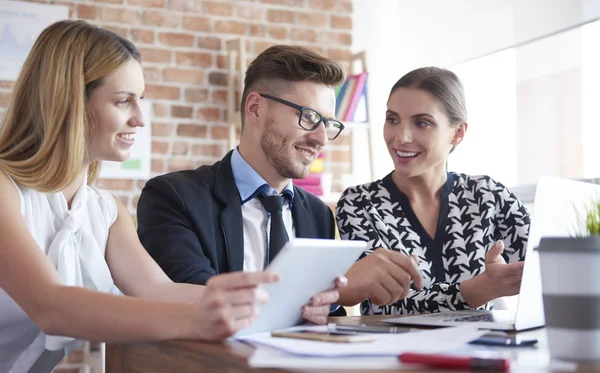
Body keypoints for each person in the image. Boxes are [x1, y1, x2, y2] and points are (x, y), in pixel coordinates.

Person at [0, 20, 280, 373]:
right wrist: (195, 319)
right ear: (67, 101)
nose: (140, 118)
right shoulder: (5, 190)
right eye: (122, 101)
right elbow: (50, 305)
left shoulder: (104, 210)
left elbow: (158, 291)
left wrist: (277, 303)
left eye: (140, 99)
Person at [136, 45, 423, 319]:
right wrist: (338, 287)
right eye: (309, 117)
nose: (321, 138)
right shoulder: (172, 197)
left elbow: (321, 319)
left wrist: (331, 300)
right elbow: (201, 303)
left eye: (328, 123)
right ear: (256, 108)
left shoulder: (318, 214)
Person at [336, 67, 531, 315]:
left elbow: (549, 271)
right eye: (392, 119)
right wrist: (480, 289)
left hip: (480, 350)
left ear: (457, 133)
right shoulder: (359, 203)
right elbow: (388, 303)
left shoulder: (488, 195)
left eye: (422, 123)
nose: (401, 137)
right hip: (393, 352)